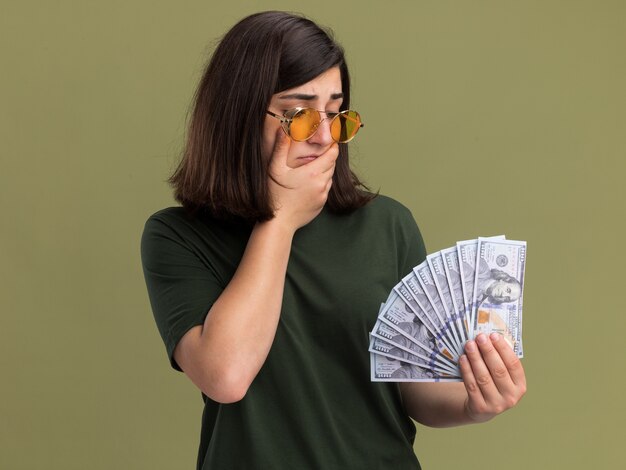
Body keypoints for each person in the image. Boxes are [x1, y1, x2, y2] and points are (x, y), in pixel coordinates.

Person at [140, 11, 526, 470]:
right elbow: (226, 375)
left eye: (336, 114)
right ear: (238, 115)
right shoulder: (177, 236)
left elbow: (413, 389)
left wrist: (472, 404)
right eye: (298, 115)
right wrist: (280, 220)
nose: (324, 137)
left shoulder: (387, 224)